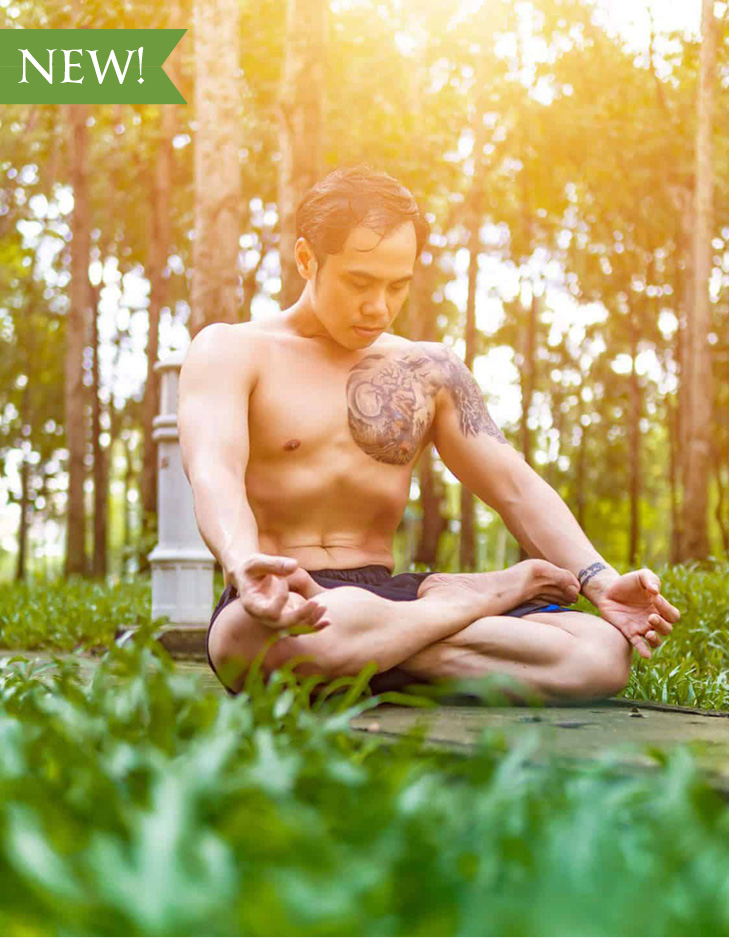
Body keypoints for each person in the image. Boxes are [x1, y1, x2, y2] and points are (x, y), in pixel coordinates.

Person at [178, 164, 680, 703]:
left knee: (601, 654)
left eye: (398, 286)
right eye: (359, 282)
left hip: (388, 597)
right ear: (307, 259)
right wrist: (242, 564)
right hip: (279, 593)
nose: (379, 307)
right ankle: (458, 607)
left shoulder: (430, 369)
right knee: (253, 639)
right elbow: (215, 471)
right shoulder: (231, 350)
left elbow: (515, 486)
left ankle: (375, 651)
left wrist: (601, 582)